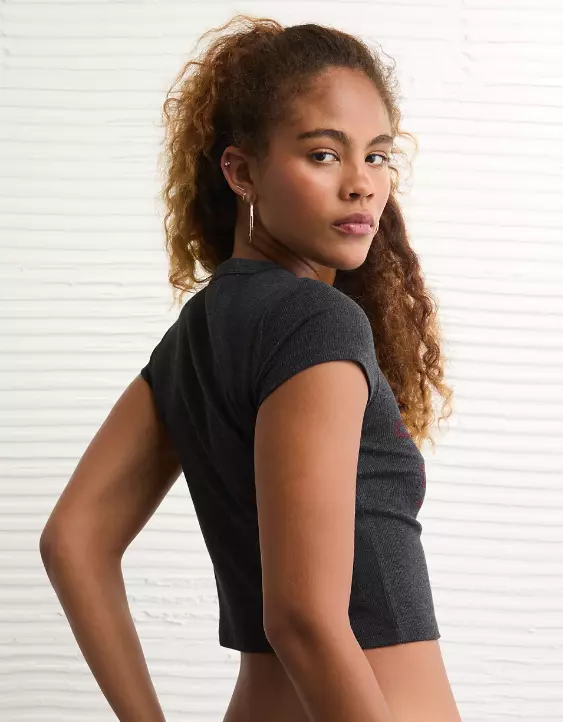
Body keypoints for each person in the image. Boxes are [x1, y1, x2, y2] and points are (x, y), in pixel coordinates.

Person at [39, 13, 460, 722]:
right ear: (241, 172)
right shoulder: (316, 322)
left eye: (377, 156)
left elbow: (73, 540)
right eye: (323, 154)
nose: (361, 184)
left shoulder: (195, 336)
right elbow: (301, 617)